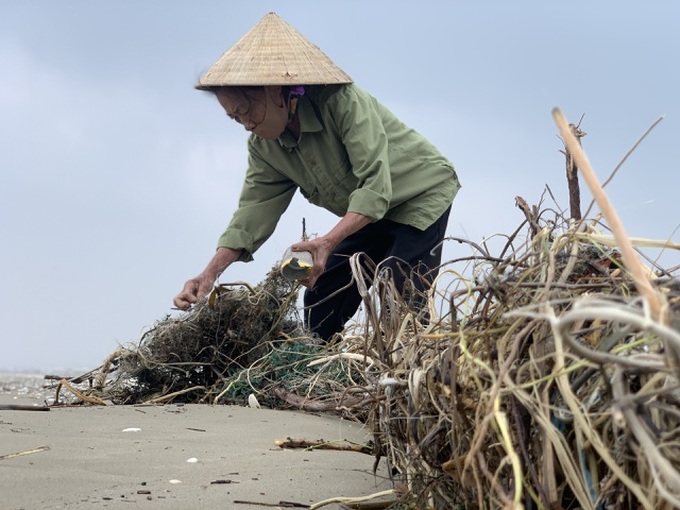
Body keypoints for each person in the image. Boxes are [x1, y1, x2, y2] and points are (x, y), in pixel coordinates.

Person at [174, 13, 461, 341]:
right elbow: (252, 214)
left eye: (246, 109)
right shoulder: (265, 149)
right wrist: (209, 274)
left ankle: (417, 364)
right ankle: (318, 374)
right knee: (322, 294)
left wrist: (325, 242)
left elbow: (375, 188)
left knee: (398, 285)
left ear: (276, 91)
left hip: (419, 194)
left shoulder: (342, 103)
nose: (245, 123)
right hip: (368, 214)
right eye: (233, 116)